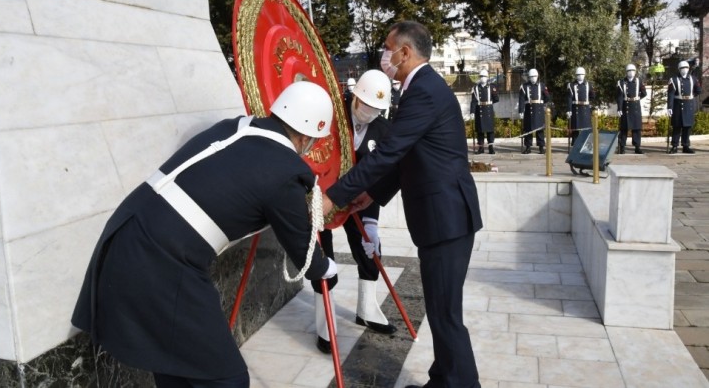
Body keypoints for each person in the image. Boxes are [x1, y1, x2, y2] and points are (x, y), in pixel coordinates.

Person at [71, 81, 337, 388]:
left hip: (126, 233)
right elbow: (307, 257)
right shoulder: (286, 172)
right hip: (164, 261)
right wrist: (327, 267)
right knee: (226, 379)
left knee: (175, 366)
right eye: (314, 141)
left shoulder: (233, 128)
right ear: (306, 135)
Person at [322, 21, 483, 388]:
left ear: (405, 52)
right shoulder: (421, 89)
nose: (385, 55)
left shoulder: (423, 91)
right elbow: (408, 157)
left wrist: (335, 194)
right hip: (442, 218)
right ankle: (442, 381)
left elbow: (390, 152)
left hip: (446, 219)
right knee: (442, 312)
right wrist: (374, 194)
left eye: (387, 47)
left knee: (445, 317)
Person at [312, 69, 397, 355]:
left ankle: (367, 309)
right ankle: (325, 324)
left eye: (377, 110)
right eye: (367, 106)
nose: (370, 113)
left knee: (370, 250)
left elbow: (383, 173)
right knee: (323, 262)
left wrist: (372, 212)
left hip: (359, 200)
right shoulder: (332, 111)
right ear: (355, 97)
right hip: (323, 195)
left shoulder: (383, 130)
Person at [667, 60, 702, 154]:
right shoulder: (673, 80)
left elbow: (698, 90)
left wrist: (690, 96)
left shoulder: (693, 79)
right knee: (677, 126)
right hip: (677, 105)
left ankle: (686, 145)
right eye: (682, 68)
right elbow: (670, 94)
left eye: (686, 68)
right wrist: (669, 107)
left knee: (687, 127)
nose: (685, 70)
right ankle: (674, 146)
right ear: (679, 69)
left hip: (689, 105)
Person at [616, 63, 647, 154]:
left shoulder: (639, 81)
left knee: (637, 128)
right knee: (624, 128)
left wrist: (636, 99)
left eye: (633, 71)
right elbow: (619, 97)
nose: (631, 72)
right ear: (626, 72)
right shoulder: (621, 82)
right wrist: (619, 108)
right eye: (629, 71)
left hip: (636, 106)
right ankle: (622, 147)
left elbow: (644, 93)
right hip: (626, 106)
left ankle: (637, 147)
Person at [518, 68, 550, 154]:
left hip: (539, 109)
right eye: (531, 77)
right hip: (529, 109)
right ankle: (528, 147)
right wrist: (521, 111)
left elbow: (547, 97)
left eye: (535, 76)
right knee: (528, 129)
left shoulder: (542, 86)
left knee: (540, 130)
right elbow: (521, 100)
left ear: (537, 76)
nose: (533, 78)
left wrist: (542, 103)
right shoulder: (524, 86)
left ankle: (541, 147)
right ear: (529, 77)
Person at [470, 69, 499, 154]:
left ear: (487, 78)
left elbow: (496, 99)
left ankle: (491, 147)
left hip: (488, 110)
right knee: (480, 130)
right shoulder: (475, 88)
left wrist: (489, 103)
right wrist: (472, 112)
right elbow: (473, 101)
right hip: (480, 110)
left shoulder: (492, 87)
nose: (483, 78)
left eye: (484, 76)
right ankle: (481, 147)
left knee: (490, 130)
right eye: (481, 76)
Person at [566, 66, 596, 147]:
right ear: (576, 75)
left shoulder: (589, 85)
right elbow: (569, 98)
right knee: (575, 129)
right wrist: (569, 110)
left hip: (585, 109)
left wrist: (587, 102)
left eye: (582, 74)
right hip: (575, 108)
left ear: (584, 75)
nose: (580, 76)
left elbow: (593, 96)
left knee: (586, 129)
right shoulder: (571, 85)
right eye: (578, 75)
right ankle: (575, 146)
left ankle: (587, 146)